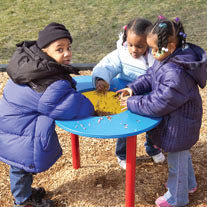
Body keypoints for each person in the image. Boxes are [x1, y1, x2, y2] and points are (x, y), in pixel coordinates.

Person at [0, 22, 94, 207]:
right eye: (60, 49)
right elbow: (69, 106)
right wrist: (92, 107)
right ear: (44, 51)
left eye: (68, 48)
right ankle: (23, 201)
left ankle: (25, 193)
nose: (67, 53)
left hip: (12, 123)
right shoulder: (49, 83)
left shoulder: (32, 65)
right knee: (21, 166)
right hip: (19, 133)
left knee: (21, 168)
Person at [117, 16, 207, 207]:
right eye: (151, 49)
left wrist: (134, 102)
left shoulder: (176, 73)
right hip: (177, 121)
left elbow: (159, 102)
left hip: (180, 126)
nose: (153, 53)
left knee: (177, 162)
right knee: (181, 158)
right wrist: (134, 88)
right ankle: (188, 185)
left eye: (157, 49)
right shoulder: (166, 58)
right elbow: (151, 76)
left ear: (172, 46)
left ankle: (178, 197)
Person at [92, 18, 165, 170]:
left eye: (139, 46)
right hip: (126, 95)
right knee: (126, 127)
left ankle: (153, 148)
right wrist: (101, 79)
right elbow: (107, 65)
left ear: (150, 43)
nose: (133, 50)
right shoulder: (122, 53)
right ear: (126, 40)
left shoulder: (156, 54)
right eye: (131, 45)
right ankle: (123, 154)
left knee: (153, 126)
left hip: (149, 97)